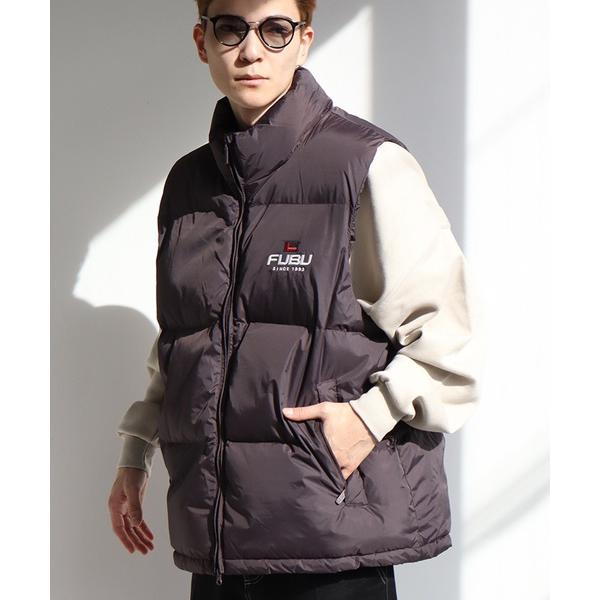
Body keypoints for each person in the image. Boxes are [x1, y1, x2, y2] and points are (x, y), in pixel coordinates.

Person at [107, 1, 485, 599]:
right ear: (202, 42)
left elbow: (448, 335)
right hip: (219, 545)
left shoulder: (367, 163)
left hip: (332, 539)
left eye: (275, 30)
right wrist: (137, 451)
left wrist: (369, 417)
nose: (251, 50)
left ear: (304, 39)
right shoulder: (187, 184)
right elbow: (186, 337)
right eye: (231, 28)